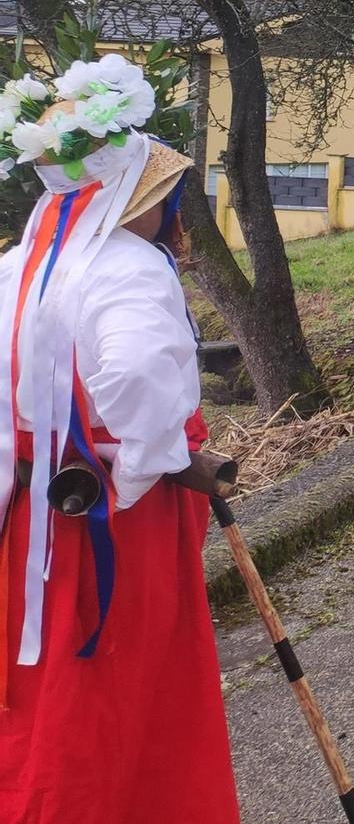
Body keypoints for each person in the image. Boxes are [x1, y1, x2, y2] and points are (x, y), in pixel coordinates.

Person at [0, 56, 242, 821]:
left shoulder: (18, 268)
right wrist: (145, 464)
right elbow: (138, 372)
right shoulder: (132, 267)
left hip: (28, 516)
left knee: (41, 692)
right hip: (111, 521)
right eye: (162, 196)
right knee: (119, 691)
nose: (169, 213)